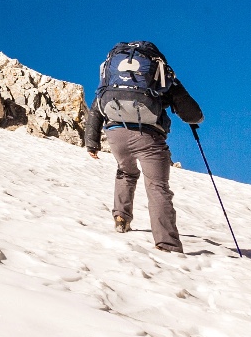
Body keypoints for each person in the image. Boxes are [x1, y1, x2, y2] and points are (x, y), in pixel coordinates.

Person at [83, 41, 203, 254]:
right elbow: (187, 107)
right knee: (157, 187)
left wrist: (92, 142)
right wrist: (196, 119)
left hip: (115, 134)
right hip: (148, 136)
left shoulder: (113, 77)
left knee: (126, 171)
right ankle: (167, 244)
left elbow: (97, 106)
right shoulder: (161, 74)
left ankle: (121, 217)